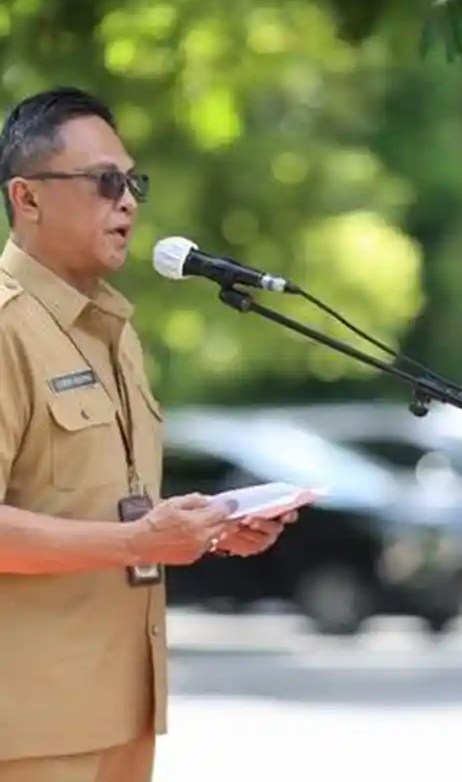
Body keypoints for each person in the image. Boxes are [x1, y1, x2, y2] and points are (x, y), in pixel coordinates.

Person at [0, 87, 292, 782]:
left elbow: (100, 509)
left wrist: (206, 528)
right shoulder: (7, 327)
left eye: (133, 182)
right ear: (28, 198)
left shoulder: (113, 332)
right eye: (105, 182)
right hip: (29, 724)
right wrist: (136, 541)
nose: (127, 200)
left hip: (124, 707)